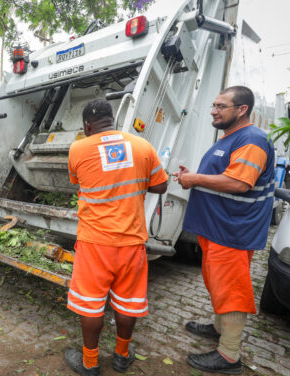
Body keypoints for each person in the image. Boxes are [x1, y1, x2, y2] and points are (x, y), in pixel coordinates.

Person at [173, 86, 275, 375]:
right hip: (217, 228)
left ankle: (229, 355)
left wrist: (194, 179)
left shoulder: (252, 140)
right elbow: (222, 176)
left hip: (232, 231)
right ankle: (219, 327)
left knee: (231, 290)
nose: (213, 111)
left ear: (242, 110)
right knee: (218, 283)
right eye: (214, 105)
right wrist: (192, 175)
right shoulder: (232, 138)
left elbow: (238, 183)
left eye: (221, 106)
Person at [65, 99, 168, 375]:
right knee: (127, 302)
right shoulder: (142, 146)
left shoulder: (77, 149)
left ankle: (89, 363)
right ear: (113, 119)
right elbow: (162, 185)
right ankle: (122, 355)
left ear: (87, 125)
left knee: (91, 303)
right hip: (132, 242)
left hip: (94, 243)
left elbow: (77, 182)